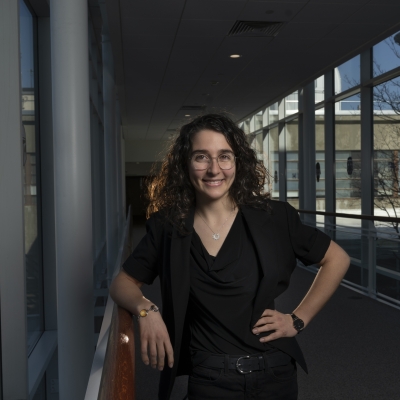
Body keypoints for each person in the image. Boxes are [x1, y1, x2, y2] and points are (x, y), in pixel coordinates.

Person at [110, 114, 350, 400]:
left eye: (224, 156)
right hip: (211, 376)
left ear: (238, 162)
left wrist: (298, 319)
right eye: (201, 157)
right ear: (185, 164)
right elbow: (122, 282)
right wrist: (147, 310)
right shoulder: (168, 226)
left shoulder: (274, 217)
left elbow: (337, 259)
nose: (214, 169)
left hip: (275, 371)